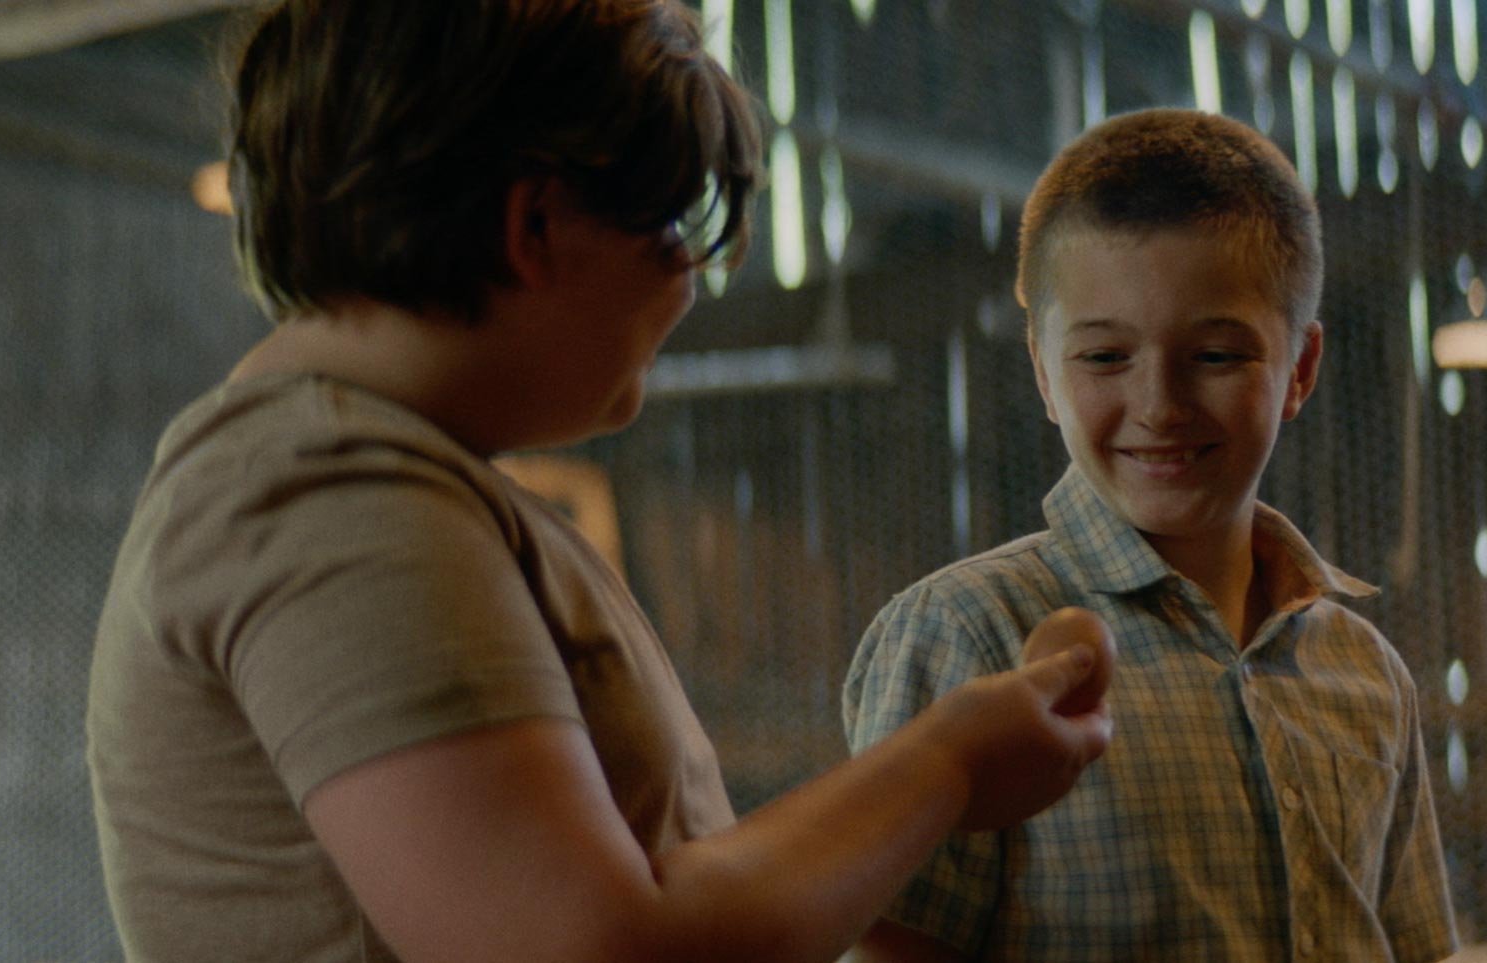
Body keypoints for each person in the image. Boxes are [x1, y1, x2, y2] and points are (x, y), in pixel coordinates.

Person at [84, 3, 1114, 961]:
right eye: (671, 230)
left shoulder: (395, 486)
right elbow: (592, 950)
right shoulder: (332, 503)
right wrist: (947, 768)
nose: (685, 288)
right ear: (536, 227)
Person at [842, 108, 1458, 962]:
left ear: (1301, 371)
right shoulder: (965, 637)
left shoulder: (1364, 672)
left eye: (1215, 356)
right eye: (1103, 358)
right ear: (1044, 374)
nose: (1160, 404)